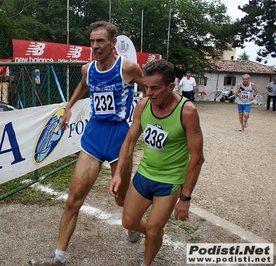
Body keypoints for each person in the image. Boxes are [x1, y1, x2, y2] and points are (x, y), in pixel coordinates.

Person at [29, 21, 145, 266]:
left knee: (121, 200)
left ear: (113, 43)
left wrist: (144, 116)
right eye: (92, 41)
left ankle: (136, 225)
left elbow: (149, 90)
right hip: (93, 135)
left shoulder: (128, 69)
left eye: (100, 41)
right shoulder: (87, 69)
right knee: (73, 200)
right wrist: (69, 106)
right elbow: (83, 85)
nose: (95, 46)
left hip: (119, 138)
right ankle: (58, 257)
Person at [110, 59, 204, 266]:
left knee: (152, 230)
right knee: (129, 222)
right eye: (145, 87)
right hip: (144, 174)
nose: (149, 92)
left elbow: (197, 158)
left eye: (155, 88)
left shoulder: (187, 111)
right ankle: (156, 232)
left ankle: (147, 261)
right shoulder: (143, 105)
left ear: (171, 87)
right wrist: (117, 174)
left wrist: (185, 198)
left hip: (169, 180)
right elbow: (130, 140)